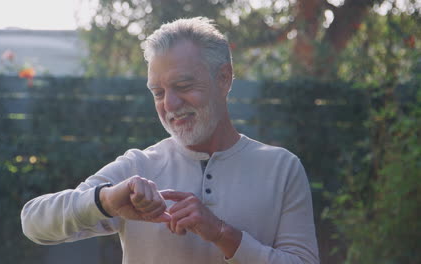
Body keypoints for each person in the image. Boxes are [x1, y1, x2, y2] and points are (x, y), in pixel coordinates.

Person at [21, 17, 319, 264]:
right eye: (158, 93)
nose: (171, 104)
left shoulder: (281, 168)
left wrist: (220, 232)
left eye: (183, 85)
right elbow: (34, 223)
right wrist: (106, 200)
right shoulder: (137, 167)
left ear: (224, 78)